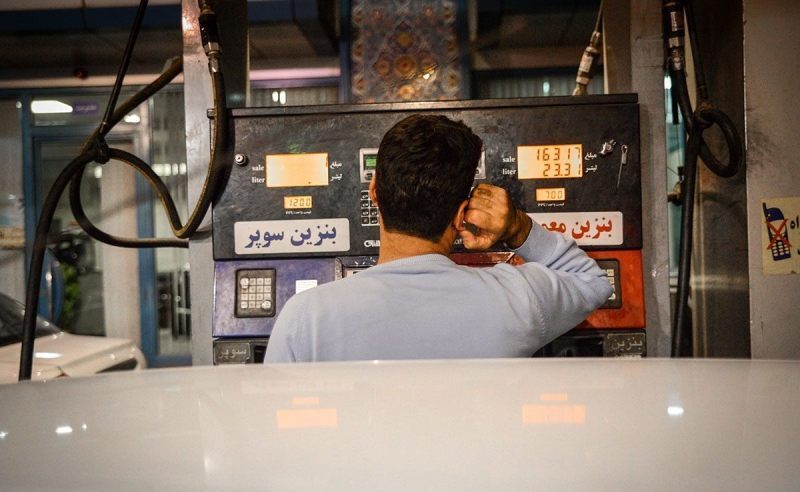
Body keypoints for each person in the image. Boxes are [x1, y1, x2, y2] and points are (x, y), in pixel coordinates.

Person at [265, 114, 612, 363]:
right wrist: (517, 227)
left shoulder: (305, 318)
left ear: (374, 192)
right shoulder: (516, 298)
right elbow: (592, 281)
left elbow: (277, 424)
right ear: (462, 214)